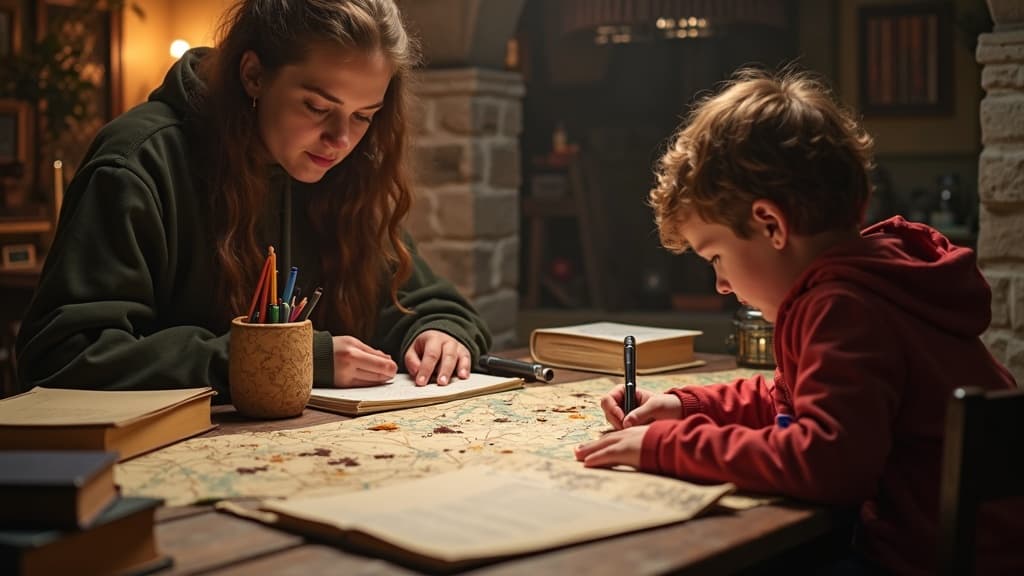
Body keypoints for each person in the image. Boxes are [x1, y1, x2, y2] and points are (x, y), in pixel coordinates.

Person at [574, 68, 1021, 575]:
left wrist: (666, 447)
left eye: (716, 257)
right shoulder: (879, 280)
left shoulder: (844, 307)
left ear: (770, 225)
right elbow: (793, 400)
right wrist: (685, 404)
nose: (720, 285)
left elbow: (824, 462)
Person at [16, 0, 492, 398]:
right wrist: (278, 360)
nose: (341, 140)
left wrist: (441, 333)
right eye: (317, 107)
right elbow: (63, 355)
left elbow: (424, 303)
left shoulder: (345, 175)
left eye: (364, 115)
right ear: (253, 76)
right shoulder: (139, 162)